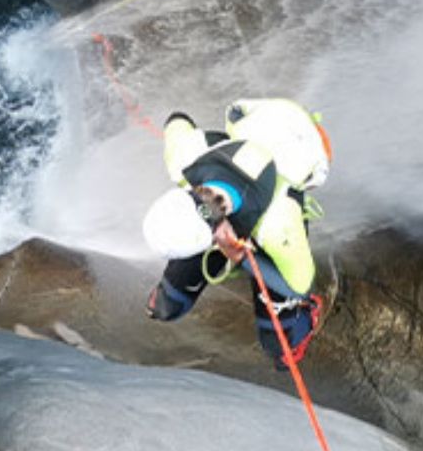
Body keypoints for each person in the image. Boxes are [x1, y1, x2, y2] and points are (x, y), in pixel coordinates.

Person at [141, 98, 330, 367]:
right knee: (168, 306)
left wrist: (240, 257)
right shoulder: (185, 159)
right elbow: (178, 121)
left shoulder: (278, 224)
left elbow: (300, 286)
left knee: (279, 346)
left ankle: (301, 322)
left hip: (296, 146)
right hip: (253, 128)